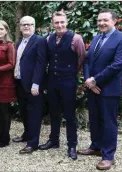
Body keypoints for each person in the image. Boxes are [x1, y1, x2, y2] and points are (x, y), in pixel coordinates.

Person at [79, 9, 122, 170]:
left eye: (105, 20)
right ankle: (96, 146)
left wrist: (95, 80)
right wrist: (89, 81)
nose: (102, 23)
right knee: (94, 119)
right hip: (93, 87)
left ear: (114, 21)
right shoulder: (97, 38)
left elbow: (117, 65)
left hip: (109, 89)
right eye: (99, 20)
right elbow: (87, 60)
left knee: (109, 122)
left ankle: (108, 156)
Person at [38, 11, 86, 160]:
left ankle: (72, 144)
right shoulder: (48, 39)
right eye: (56, 22)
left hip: (68, 81)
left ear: (66, 22)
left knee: (70, 114)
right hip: (52, 81)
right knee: (54, 112)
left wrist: (71, 72)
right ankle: (54, 140)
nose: (59, 25)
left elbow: (82, 58)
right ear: (53, 24)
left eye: (62, 22)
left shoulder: (76, 39)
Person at [13, 16, 48, 154]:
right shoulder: (19, 42)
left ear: (34, 26)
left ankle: (32, 143)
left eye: (29, 24)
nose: (26, 27)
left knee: (34, 113)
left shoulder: (39, 41)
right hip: (20, 83)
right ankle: (27, 134)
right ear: (20, 27)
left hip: (33, 85)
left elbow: (41, 63)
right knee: (24, 111)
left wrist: (36, 83)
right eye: (24, 24)